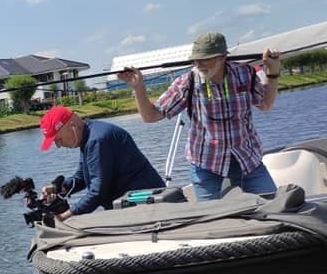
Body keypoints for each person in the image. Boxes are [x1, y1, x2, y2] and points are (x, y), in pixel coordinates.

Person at [118, 31, 282, 200]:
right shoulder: (187, 82)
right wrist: (138, 87)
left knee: (273, 204)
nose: (198, 64)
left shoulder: (245, 73)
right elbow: (150, 116)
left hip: (247, 159)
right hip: (206, 163)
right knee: (209, 214)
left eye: (204, 59)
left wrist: (273, 71)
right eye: (195, 59)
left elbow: (266, 104)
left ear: (222, 57)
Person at [38, 105, 165, 220]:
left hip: (148, 205)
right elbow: (82, 177)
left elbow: (98, 192)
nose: (58, 145)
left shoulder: (97, 141)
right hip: (132, 204)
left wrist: (64, 216)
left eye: (59, 139)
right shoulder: (89, 136)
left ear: (73, 126)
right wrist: (58, 188)